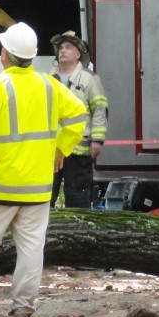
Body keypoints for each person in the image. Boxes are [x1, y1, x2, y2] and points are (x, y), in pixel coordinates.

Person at [0, 22, 88, 317]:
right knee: (32, 248)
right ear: (33, 57)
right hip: (37, 186)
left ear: (5, 54)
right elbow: (78, 115)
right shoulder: (51, 86)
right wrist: (62, 148)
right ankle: (24, 306)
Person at [49, 31, 108, 209]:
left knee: (78, 196)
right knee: (45, 193)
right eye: (61, 47)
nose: (63, 50)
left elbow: (99, 109)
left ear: (78, 54)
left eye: (68, 47)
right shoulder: (49, 78)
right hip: (53, 148)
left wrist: (97, 140)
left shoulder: (89, 79)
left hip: (78, 149)